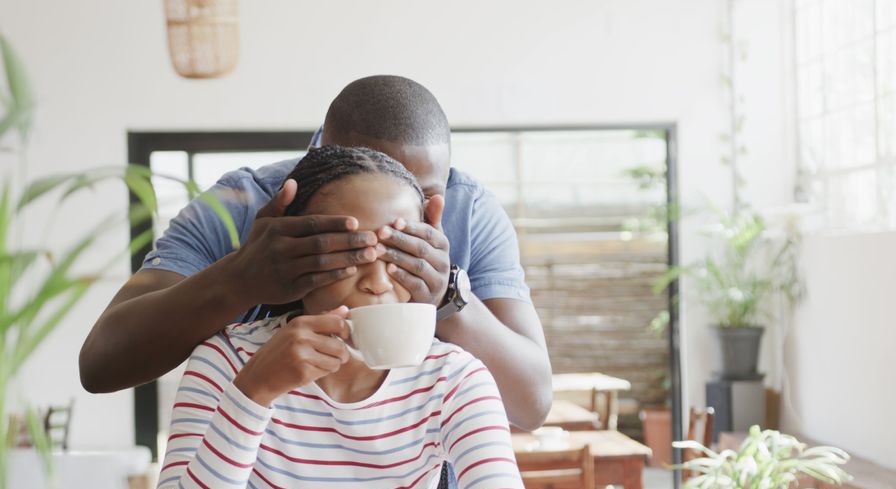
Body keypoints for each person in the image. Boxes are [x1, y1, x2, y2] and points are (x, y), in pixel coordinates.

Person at [80, 75, 552, 431]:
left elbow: (530, 404)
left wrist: (447, 302)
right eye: (371, 189)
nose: (399, 219)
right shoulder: (241, 203)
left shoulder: (467, 210)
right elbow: (101, 365)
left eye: (422, 196)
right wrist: (239, 278)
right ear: (323, 156)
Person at [152, 145, 536, 489]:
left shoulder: (453, 379)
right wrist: (252, 394)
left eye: (399, 253)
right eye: (351, 255)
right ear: (296, 254)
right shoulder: (225, 362)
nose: (376, 282)